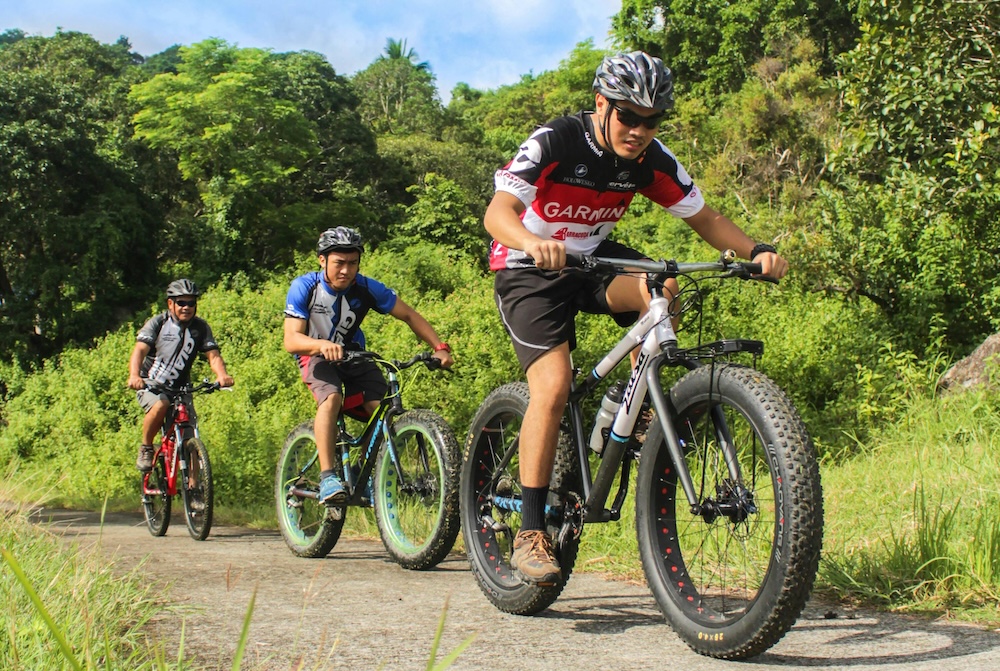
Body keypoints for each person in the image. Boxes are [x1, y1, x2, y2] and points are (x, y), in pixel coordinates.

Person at [484, 51, 789, 584]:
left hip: (593, 261)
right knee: (552, 388)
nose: (639, 130)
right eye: (628, 116)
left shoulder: (651, 159)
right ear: (602, 104)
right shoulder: (555, 140)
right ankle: (531, 530)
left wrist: (756, 250)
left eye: (652, 121)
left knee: (661, 286)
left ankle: (629, 402)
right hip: (528, 267)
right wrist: (534, 241)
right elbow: (497, 212)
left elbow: (706, 217)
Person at [283, 226, 454, 506]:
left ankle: (366, 473)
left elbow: (409, 314)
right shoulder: (305, 287)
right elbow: (291, 339)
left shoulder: (365, 287)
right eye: (339, 262)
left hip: (353, 355)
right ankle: (327, 477)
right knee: (332, 398)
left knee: (381, 408)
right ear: (322, 260)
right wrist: (320, 345)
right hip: (312, 352)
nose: (346, 270)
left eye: (352, 263)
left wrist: (439, 347)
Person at [128, 279, 234, 473]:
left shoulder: (200, 328)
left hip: (181, 388)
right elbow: (139, 351)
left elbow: (213, 355)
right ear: (171, 304)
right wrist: (135, 375)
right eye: (181, 303)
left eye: (191, 303)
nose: (187, 307)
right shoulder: (159, 323)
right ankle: (146, 447)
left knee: (190, 433)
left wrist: (222, 375)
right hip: (152, 385)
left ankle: (195, 491)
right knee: (161, 404)